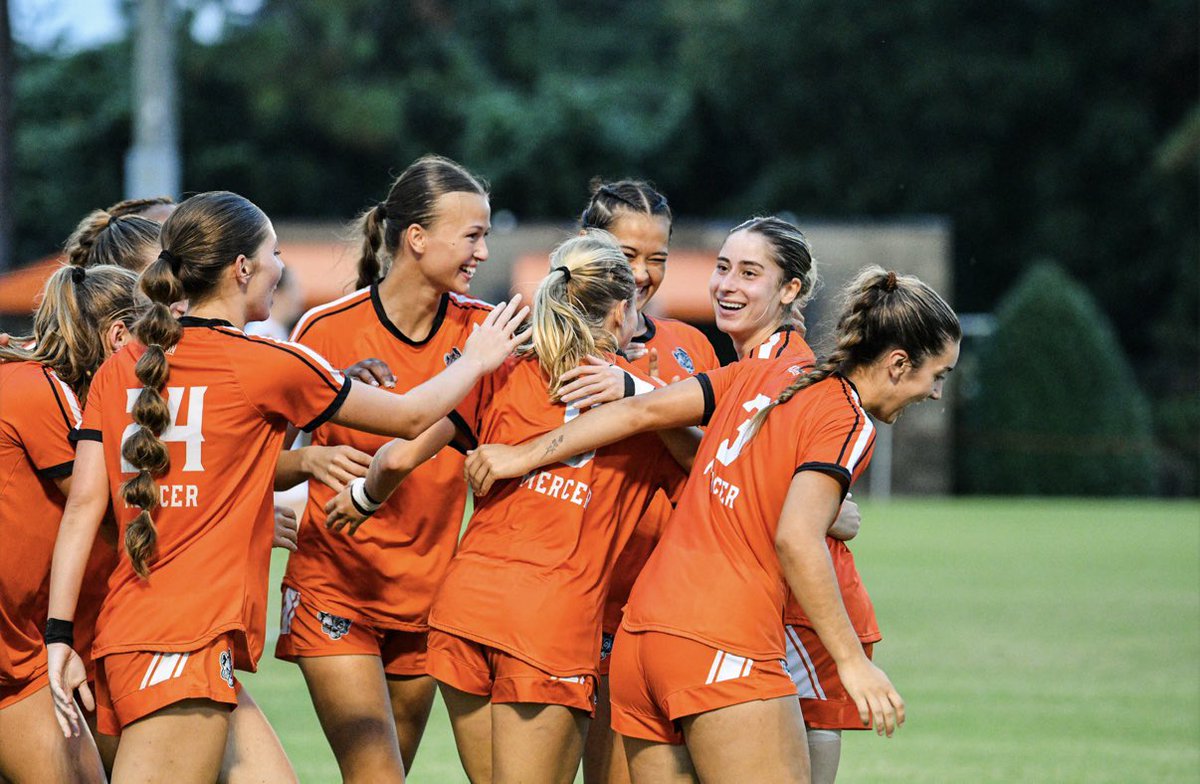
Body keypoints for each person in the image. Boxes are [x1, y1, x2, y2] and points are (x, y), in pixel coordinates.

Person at [44, 190, 528, 783]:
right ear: (242, 268)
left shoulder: (130, 365)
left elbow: (89, 507)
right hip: (182, 638)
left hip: (143, 628)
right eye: (274, 253)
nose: (281, 268)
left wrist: (60, 635)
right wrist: (477, 360)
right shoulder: (267, 361)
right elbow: (407, 417)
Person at [464, 266, 961, 782]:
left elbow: (640, 412)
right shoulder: (847, 419)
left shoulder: (760, 375)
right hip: (722, 640)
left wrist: (522, 457)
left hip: (642, 640)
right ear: (899, 364)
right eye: (938, 376)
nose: (937, 394)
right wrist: (853, 662)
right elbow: (797, 537)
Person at [325, 231, 689, 784]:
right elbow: (721, 467)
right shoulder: (654, 412)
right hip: (549, 622)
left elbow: (397, 458)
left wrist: (362, 496)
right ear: (621, 312)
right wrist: (644, 390)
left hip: (465, 609)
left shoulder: (503, 373)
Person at [274, 155, 498, 783]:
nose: (483, 250)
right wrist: (309, 457)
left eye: (486, 235)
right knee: (377, 775)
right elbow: (255, 461)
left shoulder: (483, 331)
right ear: (416, 238)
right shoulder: (325, 328)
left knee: (388, 772)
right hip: (334, 584)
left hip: (427, 594)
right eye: (472, 235)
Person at [571, 179, 720, 784]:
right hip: (578, 611)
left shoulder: (690, 347)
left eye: (656, 258)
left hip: (671, 612)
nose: (642, 273)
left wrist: (648, 400)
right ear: (586, 245)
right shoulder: (544, 345)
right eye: (626, 255)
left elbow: (721, 467)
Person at [0, 264, 141, 784]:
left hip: (20, 647)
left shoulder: (25, 375)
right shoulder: (46, 391)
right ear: (118, 336)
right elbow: (116, 516)